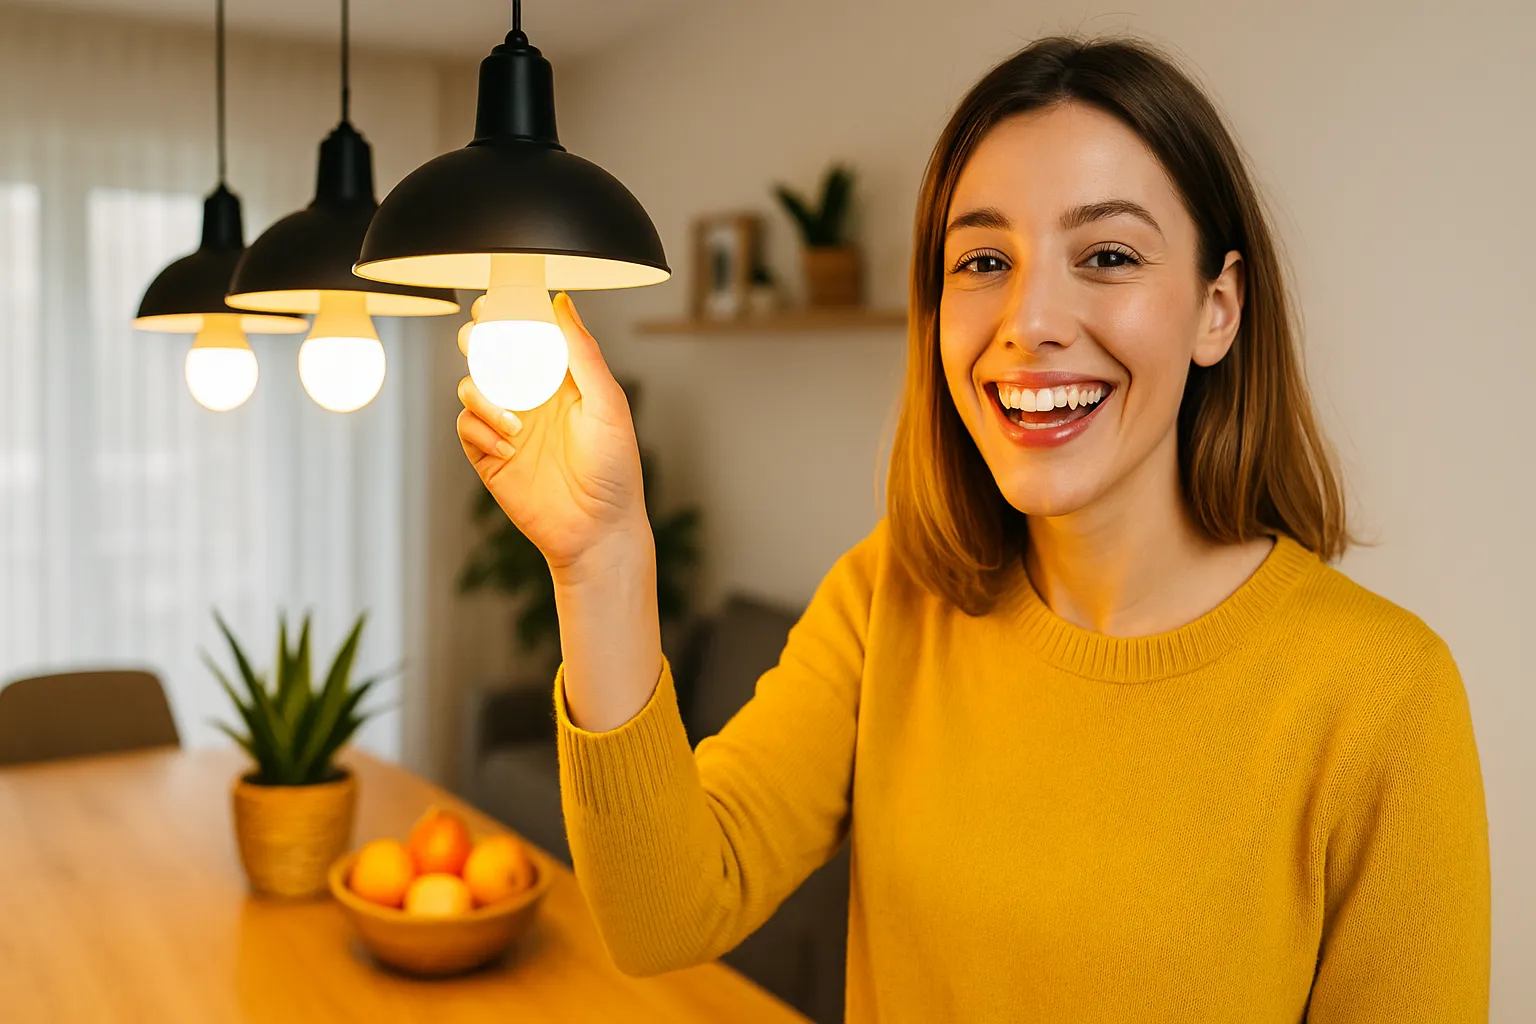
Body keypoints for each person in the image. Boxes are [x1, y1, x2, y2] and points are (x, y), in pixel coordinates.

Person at [455, 34, 1489, 1024]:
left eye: (1110, 253)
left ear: (1217, 308)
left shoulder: (1382, 697)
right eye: (982, 262)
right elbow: (663, 912)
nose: (1028, 320)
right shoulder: (887, 599)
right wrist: (600, 561)